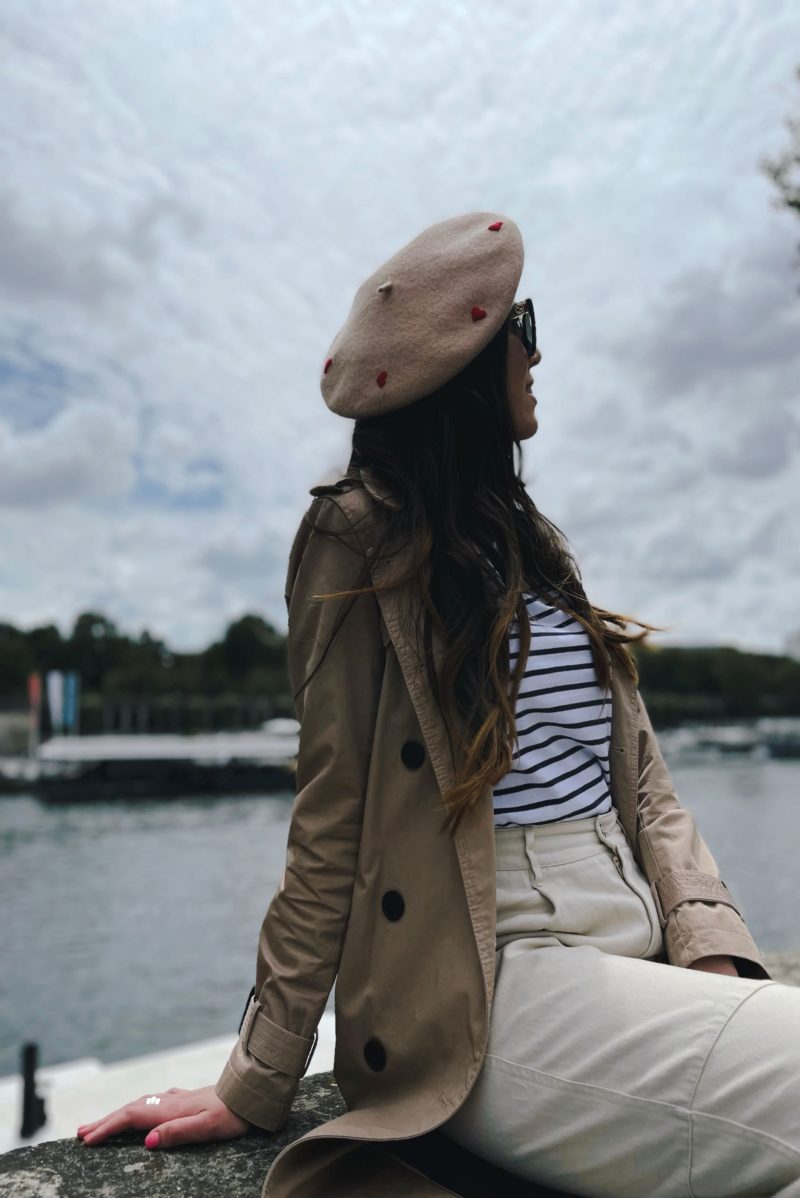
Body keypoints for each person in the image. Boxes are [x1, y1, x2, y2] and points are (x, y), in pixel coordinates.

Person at [76, 213, 800, 1198]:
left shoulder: (534, 549)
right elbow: (330, 821)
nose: (537, 353)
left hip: (630, 951)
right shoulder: (354, 537)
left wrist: (707, 952)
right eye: (521, 326)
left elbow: (645, 787)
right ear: (464, 360)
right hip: (491, 983)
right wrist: (260, 1072)